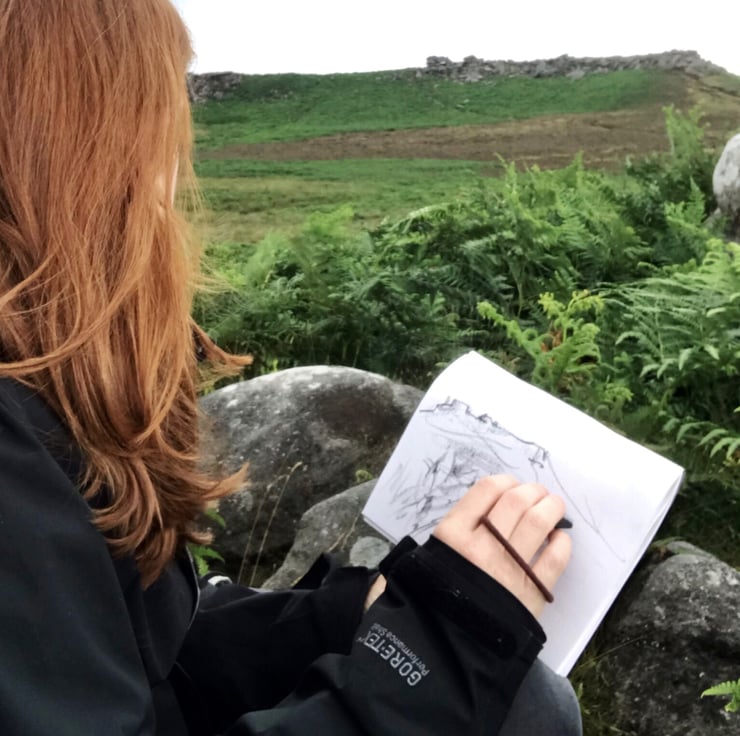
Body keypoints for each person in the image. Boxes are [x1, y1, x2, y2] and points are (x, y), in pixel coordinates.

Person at [0, 1, 582, 734]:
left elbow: (145, 657)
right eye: (161, 131)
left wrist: (337, 616)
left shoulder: (37, 393)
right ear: (76, 155)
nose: (174, 182)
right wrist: (445, 648)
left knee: (530, 702)